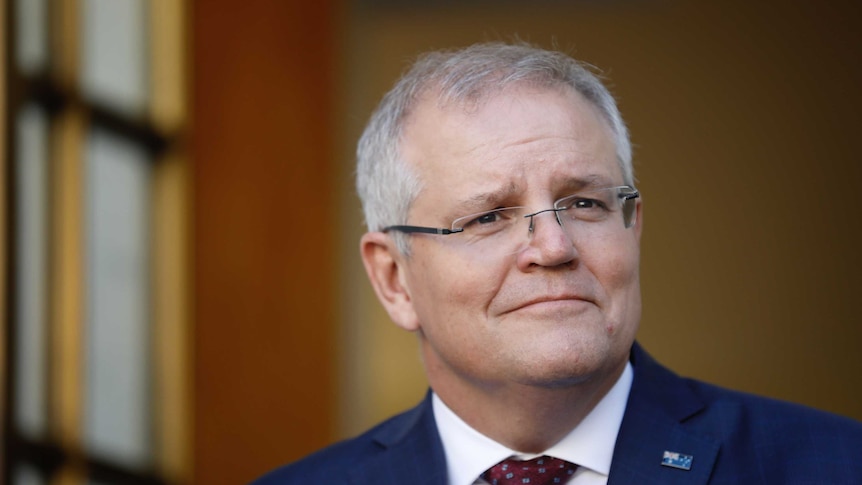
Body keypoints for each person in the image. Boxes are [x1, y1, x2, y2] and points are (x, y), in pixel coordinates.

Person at [253, 42, 862, 484]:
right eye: (488, 216)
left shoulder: (835, 465)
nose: (554, 247)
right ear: (394, 279)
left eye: (586, 203)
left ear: (632, 227)